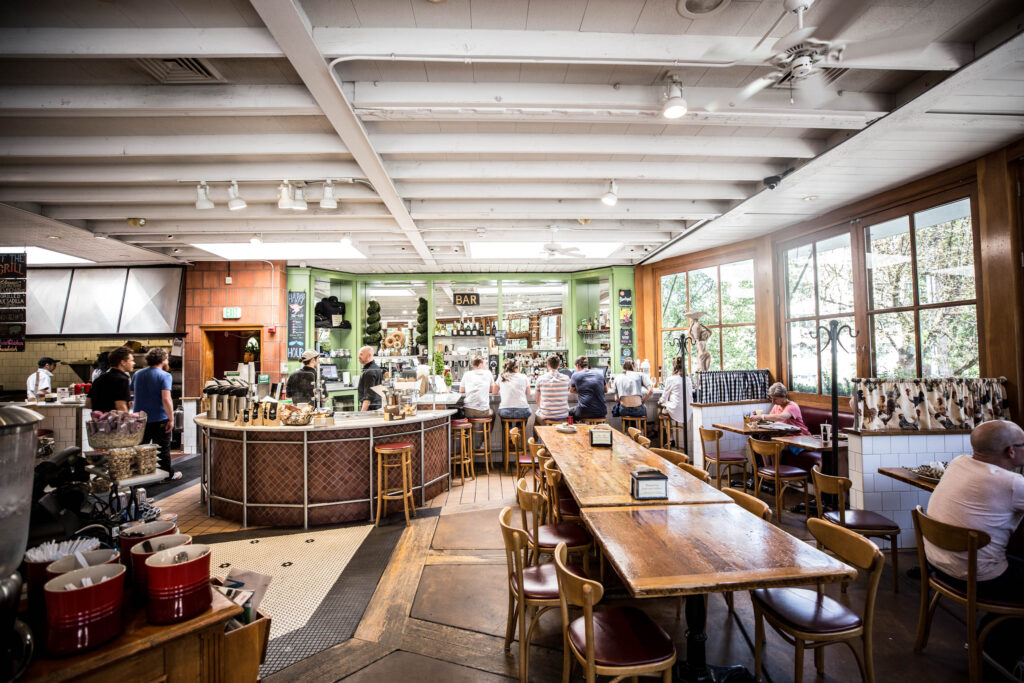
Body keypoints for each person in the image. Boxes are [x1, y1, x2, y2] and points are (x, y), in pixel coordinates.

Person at [924, 420, 1024, 604]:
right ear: (1011, 451)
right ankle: (1000, 628)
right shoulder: (1013, 483)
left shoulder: (958, 462)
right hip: (980, 579)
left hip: (938, 565)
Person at [131, 347, 179, 481]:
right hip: (159, 418)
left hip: (140, 418)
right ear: (163, 360)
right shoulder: (165, 375)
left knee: (140, 448)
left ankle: (140, 475)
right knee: (162, 449)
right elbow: (166, 399)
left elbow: (132, 394)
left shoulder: (138, 374)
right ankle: (167, 475)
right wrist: (171, 418)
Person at [86, 346, 134, 412]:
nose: (134, 363)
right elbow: (121, 407)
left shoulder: (99, 379)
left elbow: (88, 404)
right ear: (123, 362)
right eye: (131, 360)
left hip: (99, 420)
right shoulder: (122, 379)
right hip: (114, 421)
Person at [658, 355, 692, 442]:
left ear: (674, 366)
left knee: (660, 411)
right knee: (665, 409)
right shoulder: (688, 379)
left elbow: (664, 396)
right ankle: (670, 438)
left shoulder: (671, 379)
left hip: (676, 410)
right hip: (688, 411)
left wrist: (659, 402)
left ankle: (670, 437)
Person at [534, 355, 570, 424]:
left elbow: (537, 399)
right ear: (559, 365)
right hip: (563, 415)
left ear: (548, 365)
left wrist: (541, 408)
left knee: (536, 419)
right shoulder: (566, 378)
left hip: (546, 415)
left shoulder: (541, 379)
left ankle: (538, 434)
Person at [569, 355, 607, 421]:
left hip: (584, 411)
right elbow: (606, 390)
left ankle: (578, 430)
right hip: (602, 411)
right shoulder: (599, 374)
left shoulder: (575, 375)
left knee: (568, 412)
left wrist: (582, 390)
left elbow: (571, 390)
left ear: (578, 366)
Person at [357, 345, 383, 411]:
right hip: (377, 407)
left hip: (370, 409)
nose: (359, 357)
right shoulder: (376, 368)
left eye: (361, 354)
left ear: (369, 355)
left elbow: (368, 397)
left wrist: (362, 413)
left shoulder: (369, 372)